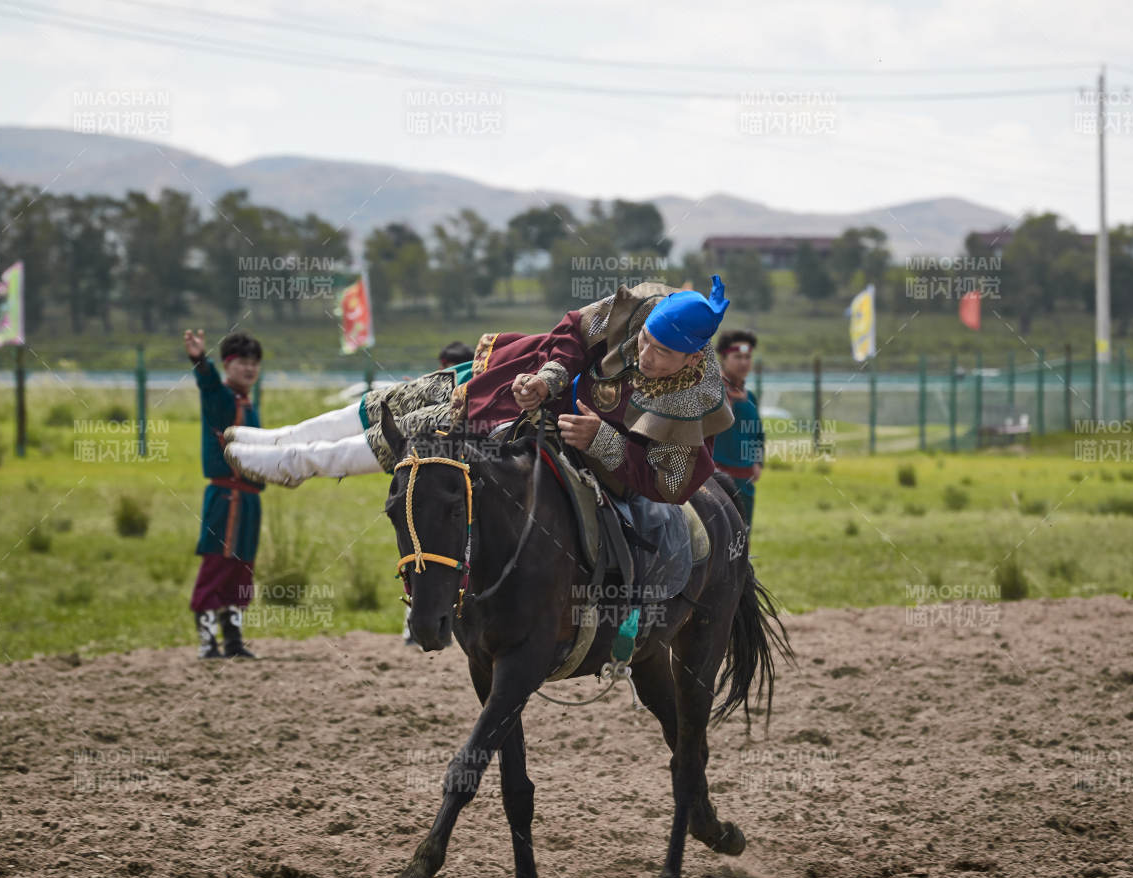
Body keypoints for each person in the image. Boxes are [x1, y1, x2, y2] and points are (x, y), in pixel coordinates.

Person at [222, 278, 735, 507]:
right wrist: (549, 377)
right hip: (530, 376)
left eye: (661, 354)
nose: (645, 355)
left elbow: (671, 484)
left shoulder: (694, 402)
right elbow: (572, 334)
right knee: (403, 396)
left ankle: (298, 464)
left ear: (692, 358)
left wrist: (604, 440)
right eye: (644, 342)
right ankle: (283, 437)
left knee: (421, 429)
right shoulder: (641, 308)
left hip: (574, 444)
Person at [185, 329, 264, 659]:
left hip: (249, 500)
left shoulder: (248, 405)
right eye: (242, 362)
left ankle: (233, 640)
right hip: (225, 499)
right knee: (218, 565)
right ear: (227, 365)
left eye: (254, 363)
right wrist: (199, 360)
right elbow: (208, 384)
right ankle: (207, 641)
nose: (249, 368)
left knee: (242, 569)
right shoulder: (220, 399)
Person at [711, 329, 764, 526]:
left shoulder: (750, 398)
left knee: (743, 535)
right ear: (724, 358)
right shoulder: (712, 394)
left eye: (747, 357)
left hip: (744, 482)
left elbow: (757, 434)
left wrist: (757, 462)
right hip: (715, 481)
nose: (744, 362)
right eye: (738, 357)